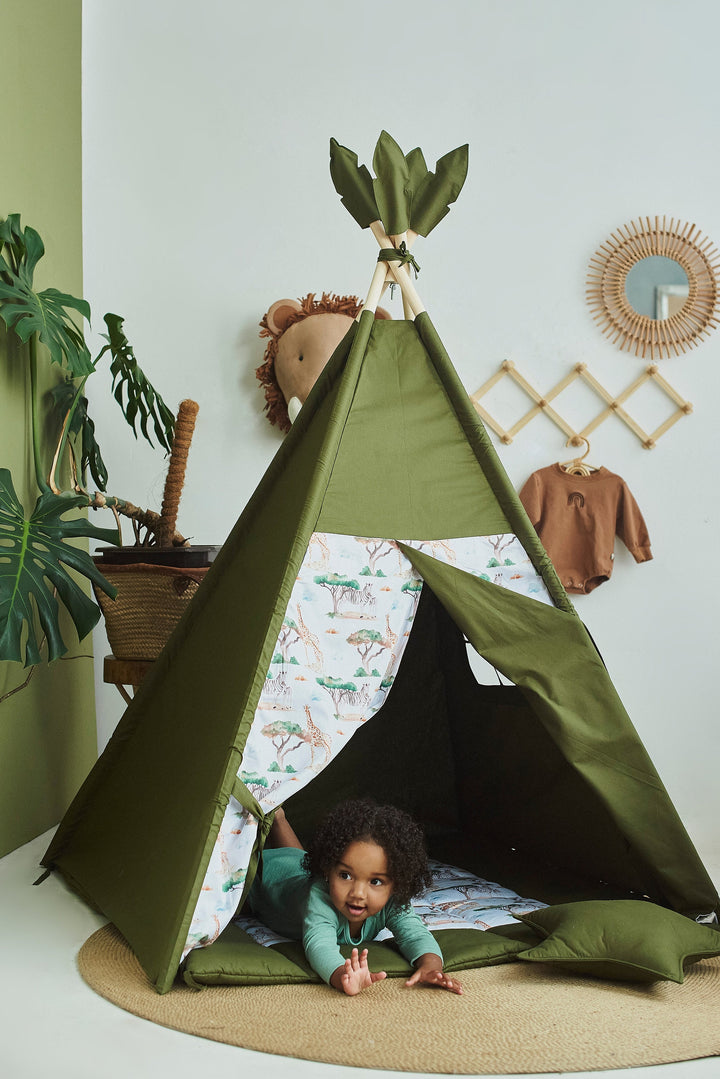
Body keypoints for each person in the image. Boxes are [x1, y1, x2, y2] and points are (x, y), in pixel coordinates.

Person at [246, 798, 463, 996]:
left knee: (297, 859)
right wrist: (342, 976)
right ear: (327, 870)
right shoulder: (319, 897)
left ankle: (278, 818)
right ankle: (273, 818)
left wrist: (431, 966)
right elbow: (319, 946)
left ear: (396, 884)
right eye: (345, 875)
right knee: (277, 868)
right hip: (263, 876)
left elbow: (416, 935)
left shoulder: (393, 901)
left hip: (294, 864)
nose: (358, 893)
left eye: (375, 881)